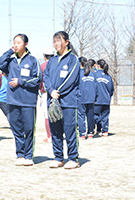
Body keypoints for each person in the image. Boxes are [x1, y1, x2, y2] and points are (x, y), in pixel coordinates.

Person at [0, 34, 40, 166]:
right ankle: (20, 155)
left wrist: (21, 81)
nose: (16, 45)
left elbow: (37, 79)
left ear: (26, 44)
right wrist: (10, 51)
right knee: (16, 128)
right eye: (14, 42)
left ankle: (28, 156)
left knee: (28, 129)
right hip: (12, 100)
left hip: (28, 101)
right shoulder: (11, 61)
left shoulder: (33, 61)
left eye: (19, 43)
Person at [43, 31, 80, 169]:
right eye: (54, 41)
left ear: (66, 41)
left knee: (69, 130)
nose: (56, 44)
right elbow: (45, 77)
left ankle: (73, 158)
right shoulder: (52, 61)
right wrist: (51, 90)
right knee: (55, 131)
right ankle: (58, 157)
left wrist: (58, 92)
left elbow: (71, 79)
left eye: (59, 41)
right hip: (52, 101)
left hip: (68, 101)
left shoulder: (73, 59)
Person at [39, 47, 56, 143]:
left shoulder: (42, 66)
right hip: (57, 93)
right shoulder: (57, 64)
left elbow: (40, 81)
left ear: (44, 56)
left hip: (45, 92)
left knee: (47, 115)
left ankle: (49, 136)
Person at [94, 59, 114, 137]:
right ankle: (105, 131)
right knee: (105, 116)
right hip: (106, 100)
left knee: (96, 116)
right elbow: (111, 89)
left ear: (98, 66)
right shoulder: (108, 76)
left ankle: (98, 130)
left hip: (97, 100)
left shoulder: (95, 75)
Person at [77, 57, 96, 139]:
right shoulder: (92, 74)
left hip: (81, 98)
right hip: (91, 98)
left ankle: (82, 133)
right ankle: (91, 132)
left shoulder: (78, 74)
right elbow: (96, 86)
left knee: (81, 116)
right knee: (90, 115)